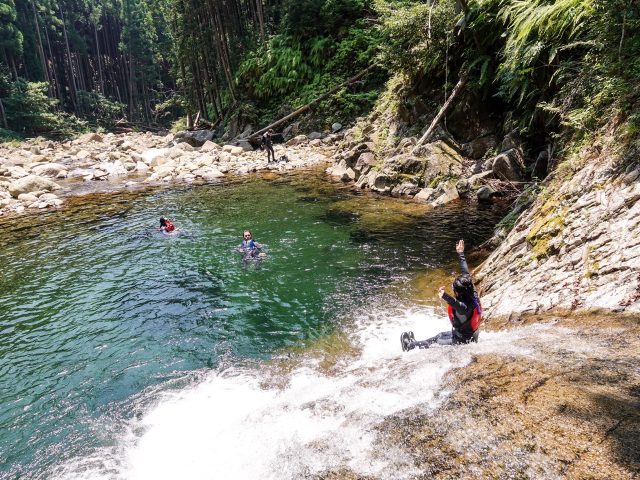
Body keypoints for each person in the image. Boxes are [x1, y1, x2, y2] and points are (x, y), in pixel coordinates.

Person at [401, 239, 482, 351]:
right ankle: (414, 343)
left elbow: (455, 303)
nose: (452, 288)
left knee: (437, 341)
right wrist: (460, 253)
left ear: (458, 292)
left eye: (454, 288)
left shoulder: (464, 308)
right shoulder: (472, 293)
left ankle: (409, 346)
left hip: (462, 341)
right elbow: (466, 273)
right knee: (439, 335)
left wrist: (444, 295)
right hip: (469, 335)